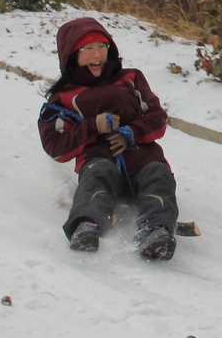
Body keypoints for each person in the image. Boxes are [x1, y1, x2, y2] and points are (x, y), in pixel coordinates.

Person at [38, 17, 179, 260]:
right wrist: (93, 127)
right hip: (99, 160)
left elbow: (157, 116)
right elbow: (55, 147)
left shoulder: (131, 78)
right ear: (72, 54)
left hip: (142, 160)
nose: (97, 55)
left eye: (102, 46)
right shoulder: (63, 98)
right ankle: (86, 226)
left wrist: (131, 133)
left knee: (159, 175)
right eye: (87, 49)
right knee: (98, 175)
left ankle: (156, 231)